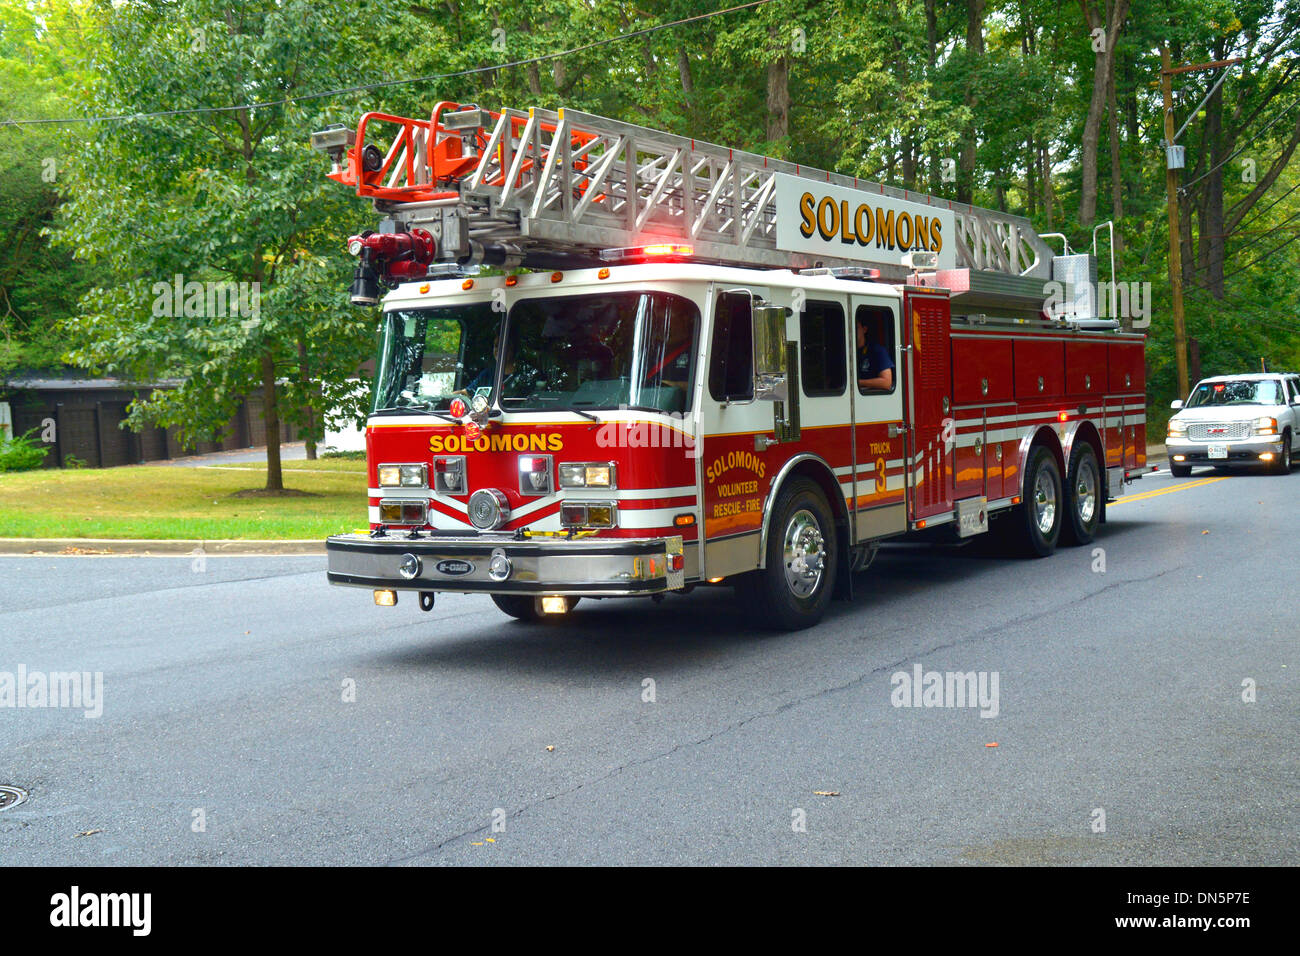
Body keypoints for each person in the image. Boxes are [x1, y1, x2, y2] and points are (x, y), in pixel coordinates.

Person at [856, 314, 894, 391]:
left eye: (856, 328)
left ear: (864, 329)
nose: (853, 331)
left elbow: (886, 382)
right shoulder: (843, 354)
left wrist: (858, 383)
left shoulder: (877, 350)